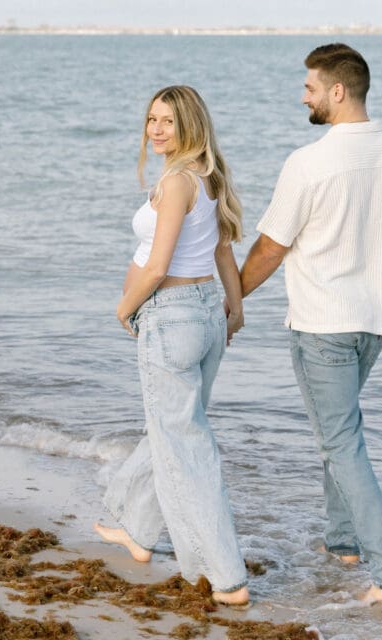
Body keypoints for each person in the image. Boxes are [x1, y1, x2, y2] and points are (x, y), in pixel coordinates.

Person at [240, 43, 382, 605]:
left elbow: (270, 248)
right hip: (374, 325)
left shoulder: (309, 162)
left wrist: (230, 300)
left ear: (338, 91)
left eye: (310, 87)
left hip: (324, 324)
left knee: (341, 442)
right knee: (341, 434)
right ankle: (343, 543)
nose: (304, 97)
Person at [95, 85, 249, 608]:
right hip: (204, 313)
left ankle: (227, 578)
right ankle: (138, 530)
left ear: (190, 125)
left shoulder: (178, 181)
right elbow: (223, 250)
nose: (156, 130)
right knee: (173, 431)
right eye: (152, 119)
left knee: (187, 447)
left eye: (169, 121)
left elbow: (158, 266)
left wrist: (123, 308)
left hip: (173, 316)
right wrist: (235, 309)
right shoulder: (208, 175)